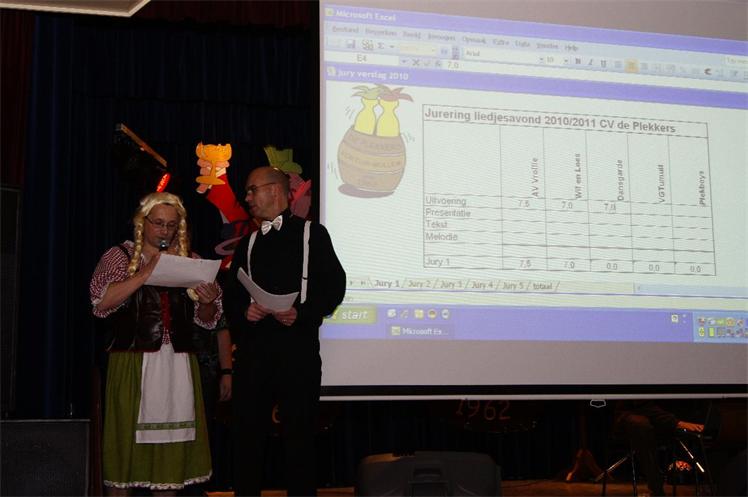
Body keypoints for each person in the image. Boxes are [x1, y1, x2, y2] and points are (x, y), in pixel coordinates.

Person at [89, 191, 222, 495]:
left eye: (171, 225)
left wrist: (207, 302)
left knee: (169, 455)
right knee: (125, 450)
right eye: (158, 223)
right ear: (143, 222)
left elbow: (208, 320)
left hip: (178, 363)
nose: (164, 230)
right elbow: (100, 302)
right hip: (133, 361)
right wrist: (147, 272)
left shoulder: (190, 260)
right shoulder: (120, 256)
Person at [226, 166, 346, 496]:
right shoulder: (248, 242)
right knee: (247, 440)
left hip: (298, 353)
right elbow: (231, 295)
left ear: (275, 191)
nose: (247, 198)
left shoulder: (312, 234)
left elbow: (334, 286)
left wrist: (301, 313)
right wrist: (245, 311)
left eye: (252, 190)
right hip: (253, 355)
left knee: (300, 442)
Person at [613, 400, 704, 496]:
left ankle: (694, 475)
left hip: (659, 415)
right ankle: (656, 485)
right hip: (631, 414)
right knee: (641, 425)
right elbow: (640, 404)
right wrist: (675, 422)